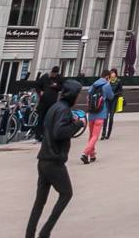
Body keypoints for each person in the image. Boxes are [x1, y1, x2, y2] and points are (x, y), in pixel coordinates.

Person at [25, 76, 81, 238]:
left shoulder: (55, 107)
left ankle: (30, 234)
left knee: (39, 201)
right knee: (66, 194)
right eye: (77, 95)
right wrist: (77, 124)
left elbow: (49, 128)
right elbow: (59, 132)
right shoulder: (63, 110)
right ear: (72, 95)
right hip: (54, 161)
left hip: (43, 159)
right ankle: (45, 231)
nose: (78, 98)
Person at [80, 73, 113, 165]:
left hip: (91, 114)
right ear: (107, 77)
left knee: (91, 135)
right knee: (95, 136)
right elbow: (111, 96)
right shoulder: (106, 85)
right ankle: (85, 153)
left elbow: (88, 97)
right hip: (100, 113)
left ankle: (92, 154)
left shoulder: (93, 85)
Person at [35, 68, 62, 141]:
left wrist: (56, 86)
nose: (53, 75)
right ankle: (38, 135)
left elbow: (61, 87)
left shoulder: (59, 78)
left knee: (49, 118)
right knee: (41, 118)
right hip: (43, 101)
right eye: (52, 73)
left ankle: (46, 134)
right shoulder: (44, 77)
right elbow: (37, 85)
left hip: (52, 101)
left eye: (55, 74)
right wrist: (40, 91)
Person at [101, 71, 122, 140]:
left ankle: (108, 134)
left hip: (114, 101)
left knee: (111, 117)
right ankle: (103, 134)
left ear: (115, 76)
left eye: (114, 77)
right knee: (105, 117)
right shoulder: (107, 82)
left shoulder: (118, 81)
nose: (113, 78)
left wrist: (114, 95)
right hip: (107, 100)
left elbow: (120, 91)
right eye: (111, 77)